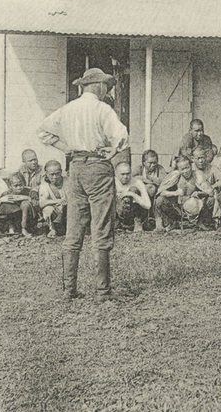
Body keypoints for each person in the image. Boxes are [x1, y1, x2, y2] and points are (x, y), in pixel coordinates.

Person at [38, 67, 129, 300]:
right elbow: (121, 137)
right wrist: (112, 150)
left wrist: (66, 148)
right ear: (98, 86)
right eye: (106, 85)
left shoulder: (67, 109)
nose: (108, 89)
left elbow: (43, 132)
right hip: (98, 168)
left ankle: (69, 290)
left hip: (75, 167)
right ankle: (103, 291)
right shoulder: (102, 108)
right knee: (101, 228)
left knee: (74, 229)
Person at [157, 155, 215, 231]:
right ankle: (172, 222)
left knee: (211, 200)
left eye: (187, 167)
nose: (186, 171)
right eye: (182, 169)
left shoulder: (197, 175)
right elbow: (161, 192)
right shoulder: (175, 176)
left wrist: (199, 193)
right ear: (178, 170)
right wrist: (175, 193)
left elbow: (210, 192)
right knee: (160, 200)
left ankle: (201, 222)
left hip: (196, 207)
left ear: (191, 166)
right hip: (178, 208)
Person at [114, 162, 152, 232]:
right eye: (122, 174)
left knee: (133, 189)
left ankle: (137, 222)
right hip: (118, 212)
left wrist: (132, 194)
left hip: (133, 213)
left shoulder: (137, 182)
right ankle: (117, 224)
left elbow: (148, 205)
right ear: (116, 174)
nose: (125, 177)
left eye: (128, 173)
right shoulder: (112, 182)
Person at [16, 149, 43, 236]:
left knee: (25, 204)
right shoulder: (21, 170)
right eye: (30, 160)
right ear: (24, 161)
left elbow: (44, 185)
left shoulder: (42, 170)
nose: (34, 162)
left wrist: (34, 190)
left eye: (35, 159)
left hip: (38, 198)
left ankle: (24, 229)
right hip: (25, 197)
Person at [39, 160, 67, 238]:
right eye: (52, 174)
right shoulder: (44, 186)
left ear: (61, 172)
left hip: (68, 207)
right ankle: (52, 229)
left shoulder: (67, 181)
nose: (55, 177)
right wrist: (57, 201)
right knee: (48, 209)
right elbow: (42, 203)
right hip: (55, 209)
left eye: (57, 174)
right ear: (46, 174)